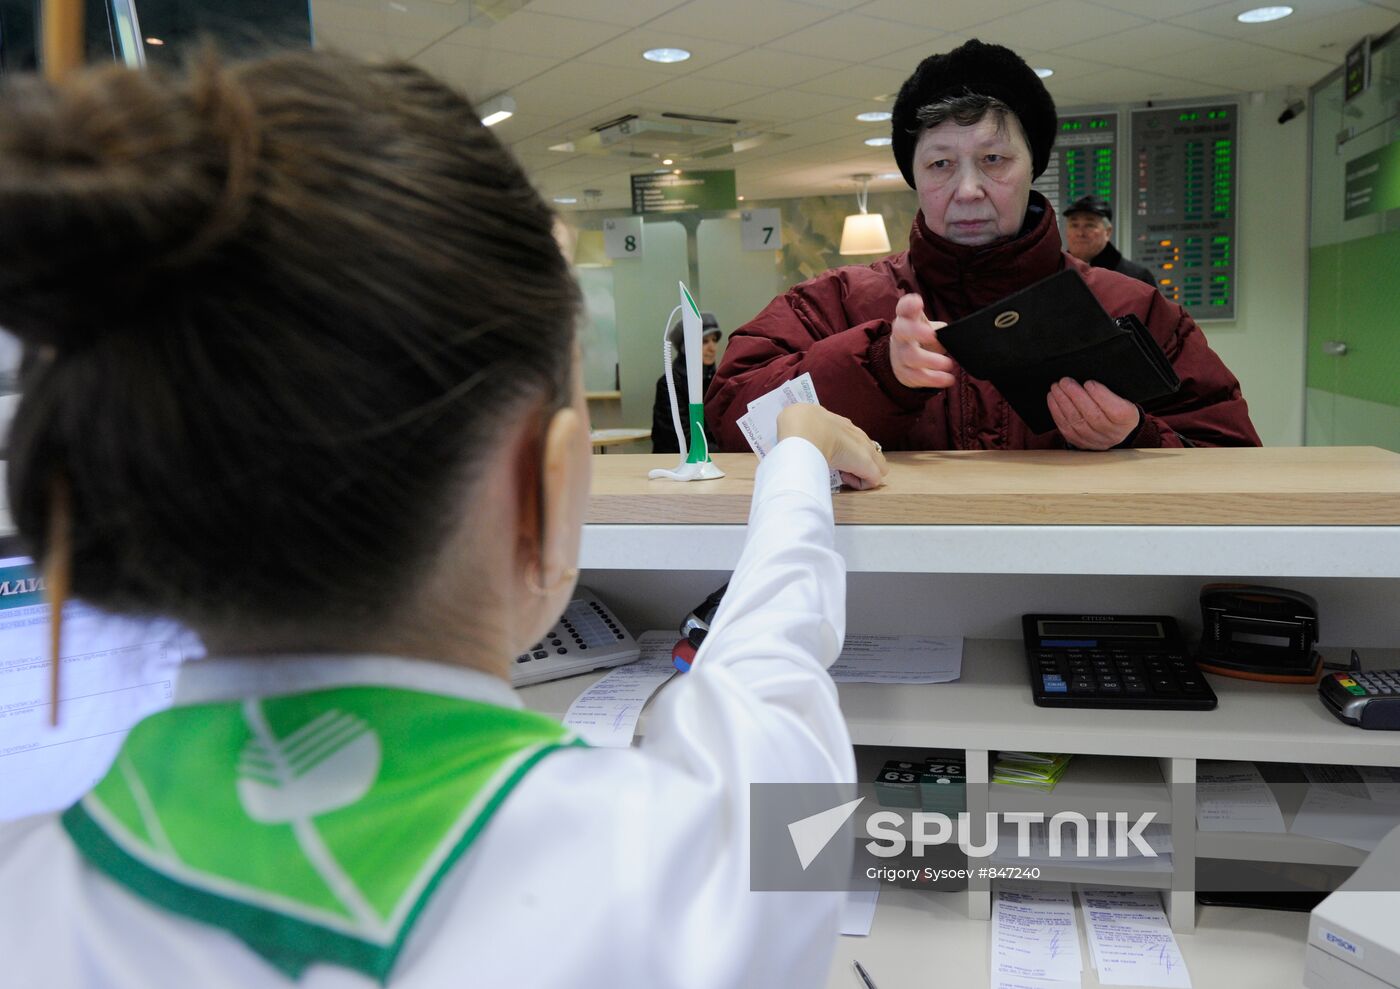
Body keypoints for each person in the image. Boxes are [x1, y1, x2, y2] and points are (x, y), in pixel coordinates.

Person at [0, 50, 888, 987]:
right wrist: (793, 455)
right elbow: (778, 691)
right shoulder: (696, 884)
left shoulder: (24, 892)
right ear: (543, 483)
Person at [707, 40, 1261, 452]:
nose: (968, 190)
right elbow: (732, 429)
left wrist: (1137, 436)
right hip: (892, 588)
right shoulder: (832, 305)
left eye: (994, 159)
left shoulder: (1133, 308)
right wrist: (876, 370)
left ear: (1032, 169)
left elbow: (1232, 461)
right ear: (915, 178)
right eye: (941, 163)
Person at [650, 310, 721, 454]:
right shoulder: (669, 384)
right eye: (704, 341)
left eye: (714, 340)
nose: (712, 348)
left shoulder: (717, 380)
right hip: (676, 463)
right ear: (686, 347)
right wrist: (725, 452)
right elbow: (681, 438)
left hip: (711, 459)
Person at [1063, 195, 1156, 287]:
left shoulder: (1136, 278)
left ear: (1107, 232)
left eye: (1089, 225)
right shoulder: (1055, 274)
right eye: (1074, 225)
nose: (1080, 233)